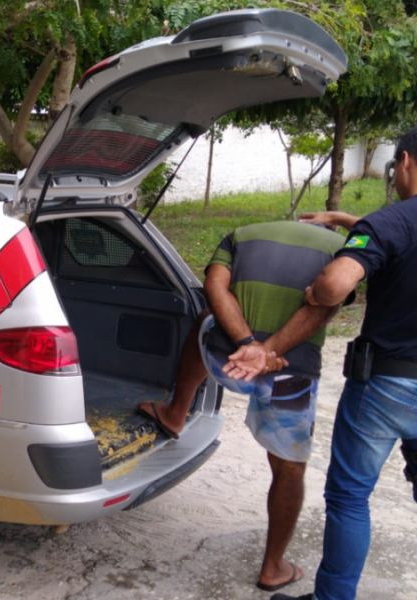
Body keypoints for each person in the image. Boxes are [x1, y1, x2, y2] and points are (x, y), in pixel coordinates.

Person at [139, 220, 346, 592]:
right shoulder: (344, 247)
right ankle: (273, 567)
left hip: (225, 355)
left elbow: (215, 286)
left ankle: (174, 412)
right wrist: (268, 353)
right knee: (289, 469)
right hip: (288, 373)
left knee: (204, 321)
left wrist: (247, 341)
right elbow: (326, 303)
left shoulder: (243, 234)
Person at [272, 127, 417, 600]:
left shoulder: (393, 222)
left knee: (350, 497)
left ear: (407, 163)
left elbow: (337, 284)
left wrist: (318, 291)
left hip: (386, 387)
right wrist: (347, 219)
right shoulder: (389, 225)